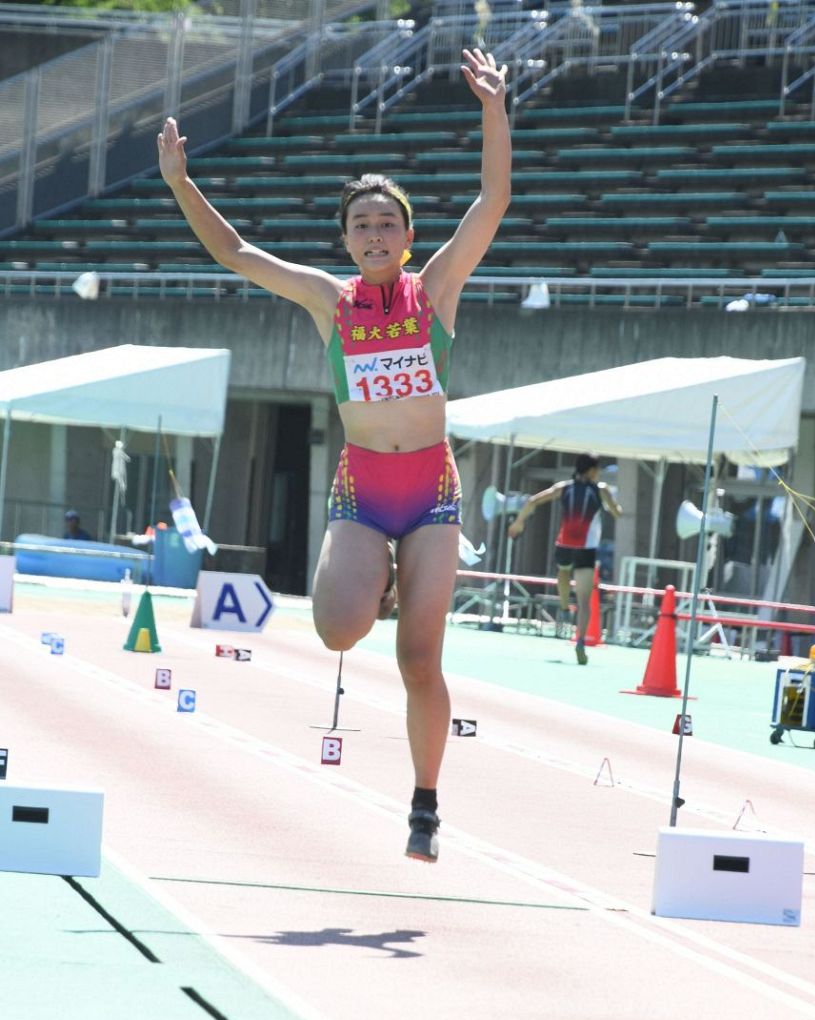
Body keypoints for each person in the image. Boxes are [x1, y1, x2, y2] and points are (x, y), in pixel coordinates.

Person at [158, 48, 511, 864]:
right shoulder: (329, 300)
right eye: (361, 224)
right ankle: (374, 580)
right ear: (347, 240)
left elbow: (492, 200)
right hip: (363, 491)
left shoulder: (439, 289)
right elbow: (239, 256)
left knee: (418, 658)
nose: (375, 234)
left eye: (387, 222)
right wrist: (181, 183)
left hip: (431, 493)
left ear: (408, 235)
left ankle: (424, 802)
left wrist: (493, 107)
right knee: (338, 630)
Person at [508, 453, 622, 665]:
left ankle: (562, 607)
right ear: (591, 470)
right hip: (587, 549)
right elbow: (616, 513)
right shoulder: (601, 490)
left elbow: (534, 500)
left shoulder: (564, 487)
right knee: (584, 601)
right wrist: (617, 507)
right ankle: (580, 641)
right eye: (597, 469)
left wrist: (519, 522)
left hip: (565, 545)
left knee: (563, 571)